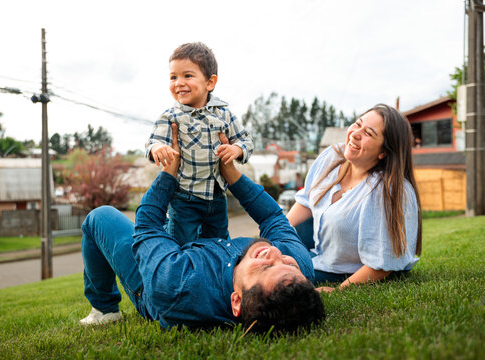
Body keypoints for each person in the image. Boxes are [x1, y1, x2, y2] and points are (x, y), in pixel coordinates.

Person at [80, 126, 324, 333]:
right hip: (212, 249)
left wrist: (170, 173)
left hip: (158, 276)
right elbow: (273, 217)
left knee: (100, 217)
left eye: (266, 267)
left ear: (236, 301)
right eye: (287, 263)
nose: (274, 254)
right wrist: (230, 174)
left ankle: (104, 308)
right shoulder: (297, 271)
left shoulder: (176, 286)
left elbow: (148, 226)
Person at [287, 104, 422, 291]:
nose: (355, 134)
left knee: (280, 278)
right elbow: (307, 201)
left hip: (349, 269)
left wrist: (339, 290)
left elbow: (383, 263)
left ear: (383, 152)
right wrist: (278, 233)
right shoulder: (332, 156)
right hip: (320, 249)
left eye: (369, 133)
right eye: (358, 124)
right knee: (269, 250)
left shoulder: (389, 190)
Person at [145, 42, 254, 245]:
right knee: (182, 243)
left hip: (216, 197)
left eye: (187, 75)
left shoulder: (224, 113)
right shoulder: (170, 116)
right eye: (173, 77)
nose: (178, 83)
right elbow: (153, 141)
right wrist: (158, 148)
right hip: (184, 197)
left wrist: (236, 149)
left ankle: (216, 272)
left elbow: (246, 140)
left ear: (210, 83)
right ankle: (180, 272)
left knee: (219, 243)